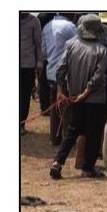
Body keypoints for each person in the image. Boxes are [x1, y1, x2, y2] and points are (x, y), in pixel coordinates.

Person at [49, 14, 107, 180]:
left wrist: (61, 91)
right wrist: (86, 93)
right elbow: (97, 77)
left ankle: (57, 162)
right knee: (94, 133)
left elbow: (60, 70)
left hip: (74, 97)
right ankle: (87, 168)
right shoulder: (101, 50)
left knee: (72, 130)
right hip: (95, 99)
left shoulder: (71, 45)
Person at [42, 13, 77, 144]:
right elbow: (77, 47)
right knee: (67, 107)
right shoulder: (70, 26)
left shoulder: (46, 27)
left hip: (51, 72)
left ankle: (54, 138)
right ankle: (67, 140)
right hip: (66, 74)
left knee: (54, 105)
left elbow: (44, 52)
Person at [20, 12, 42, 135]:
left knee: (24, 96)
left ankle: (21, 124)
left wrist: (39, 62)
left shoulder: (34, 21)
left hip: (27, 65)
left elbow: (38, 43)